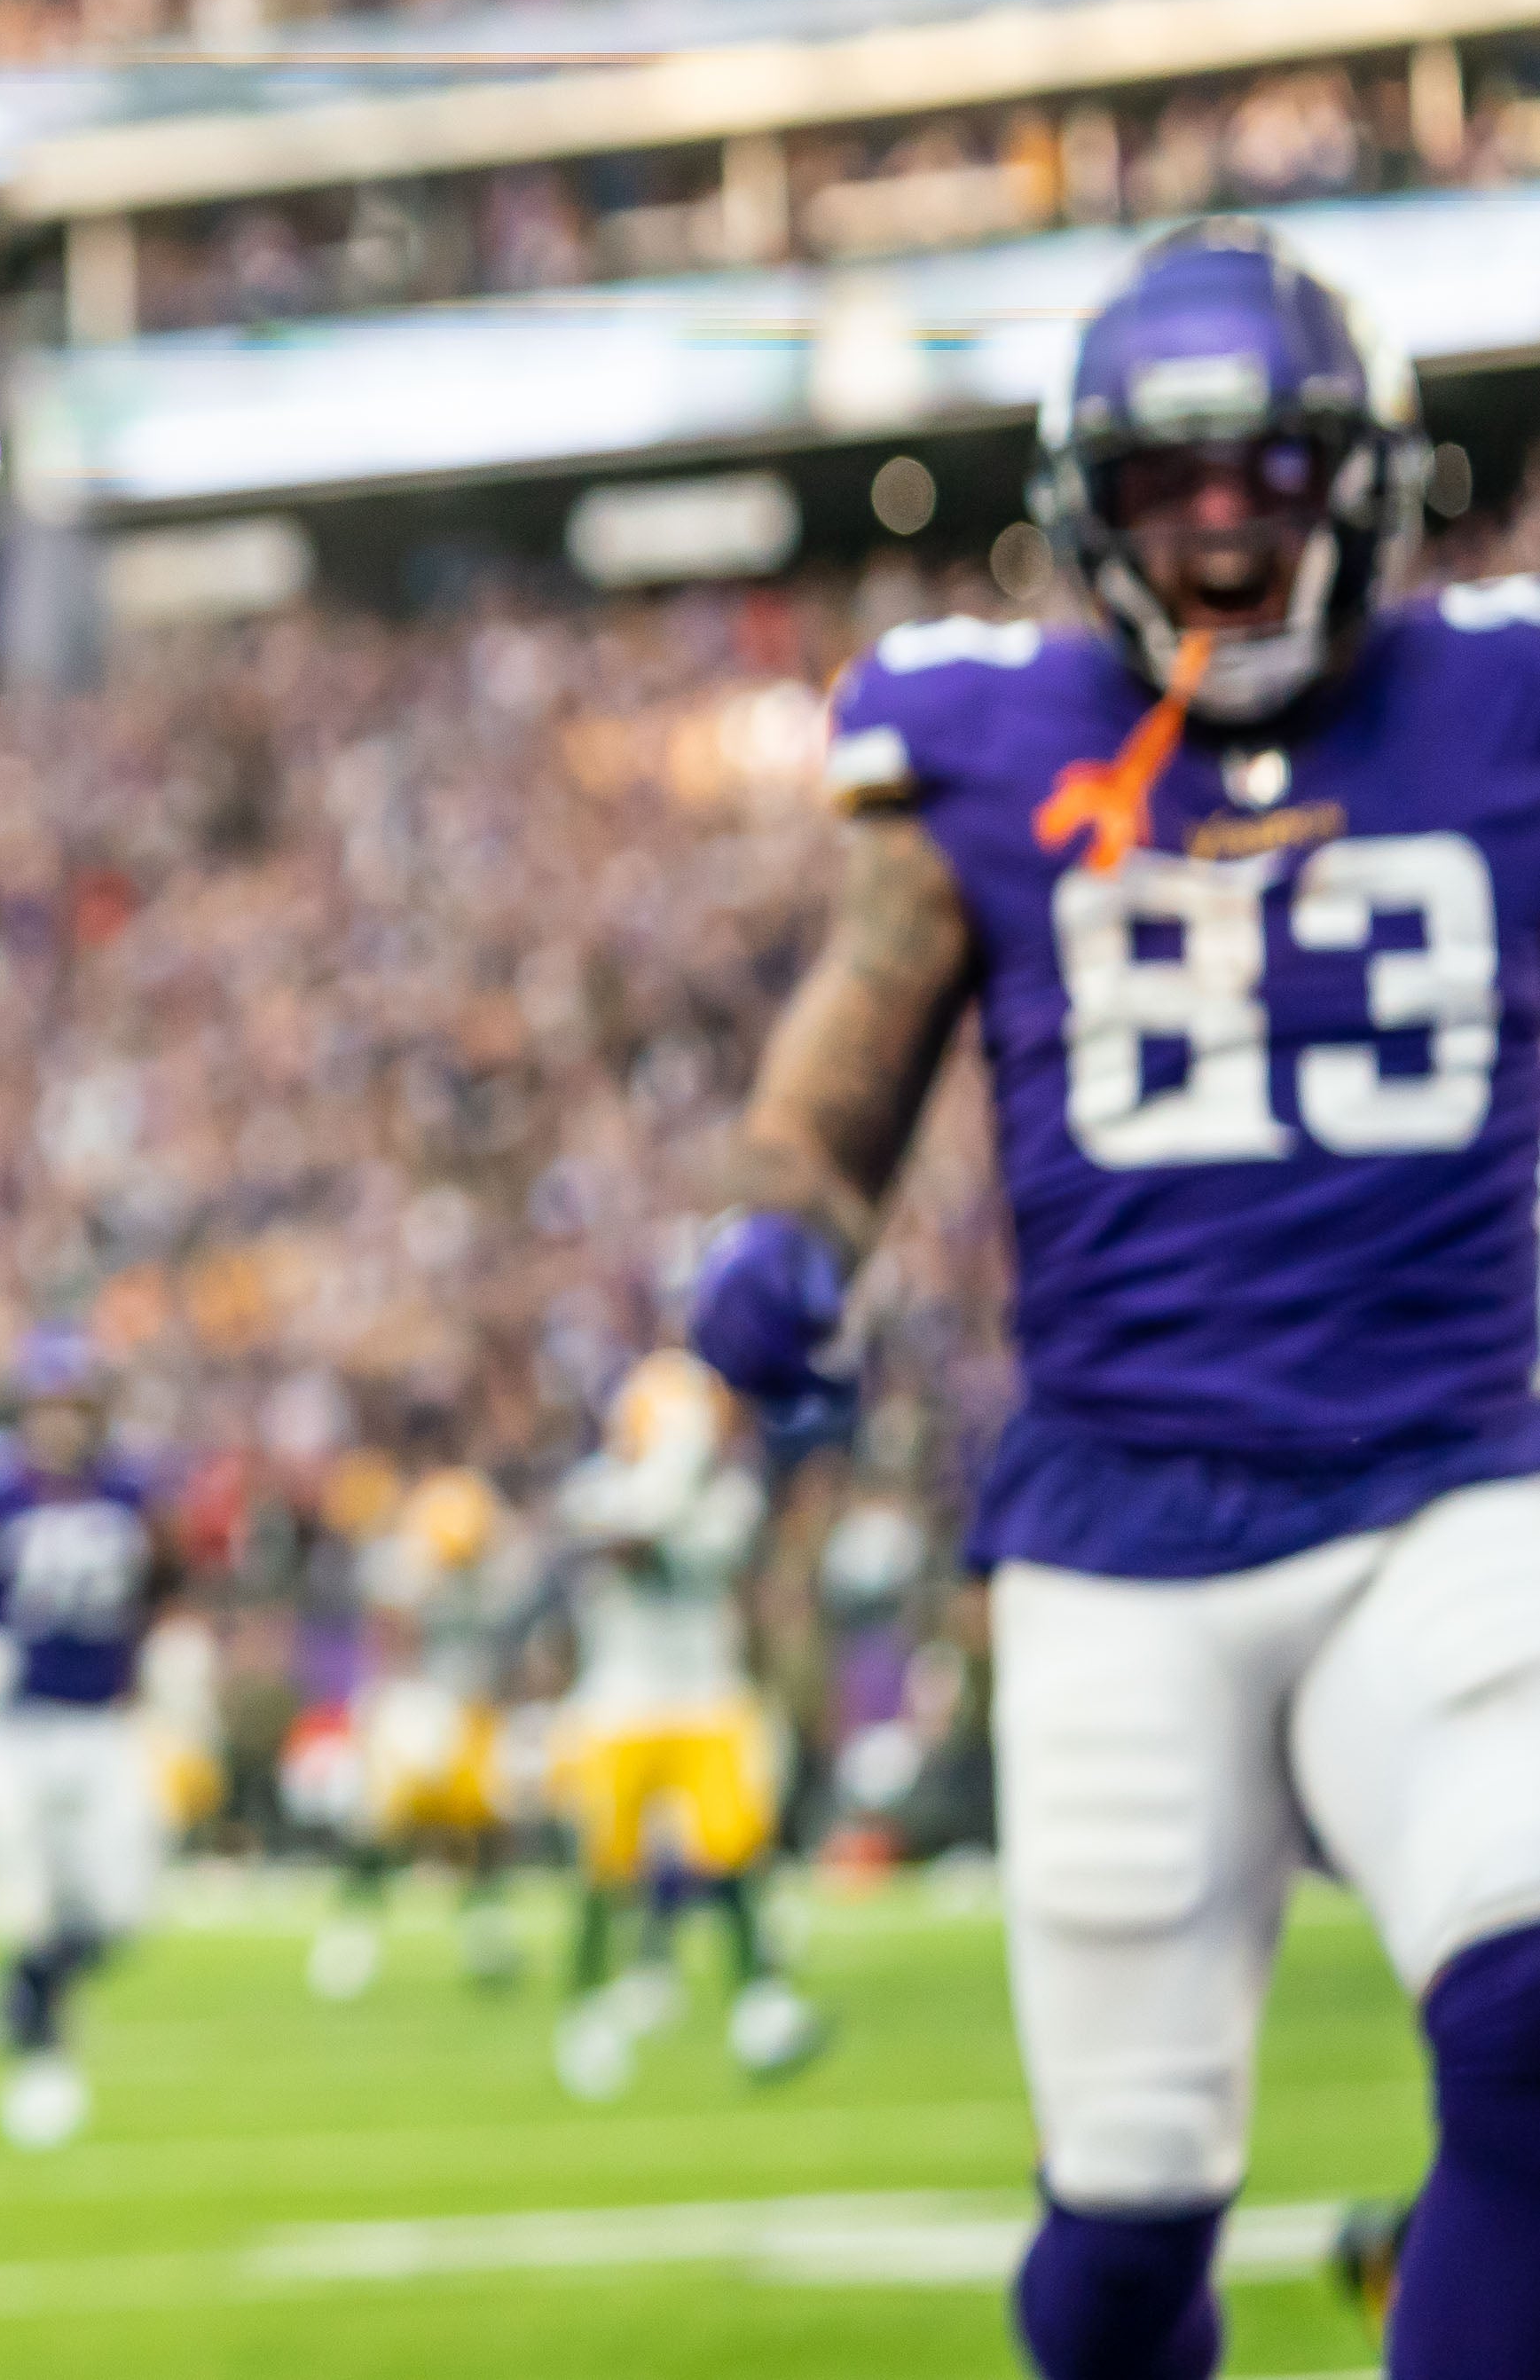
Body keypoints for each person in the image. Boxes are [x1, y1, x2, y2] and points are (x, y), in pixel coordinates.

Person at [692, 218, 1540, 2380]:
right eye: (1169, 484)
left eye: (1264, 469)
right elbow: (861, 1026)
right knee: (1126, 2229)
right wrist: (780, 1234)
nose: (1221, 524)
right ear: (1089, 509)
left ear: (1361, 479)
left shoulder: (1500, 693)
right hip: (1121, 1528)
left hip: (1452, 1477)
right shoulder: (976, 733)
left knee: (1535, 2008)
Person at [543, 1357, 822, 2099]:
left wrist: (672, 1488)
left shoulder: (722, 1497)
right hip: (622, 1699)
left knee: (733, 1857)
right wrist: (660, 1484)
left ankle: (762, 2002)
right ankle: (584, 2011)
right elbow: (615, 1548)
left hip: (703, 1694)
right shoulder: (601, 1487)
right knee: (605, 1870)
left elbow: (699, 1555)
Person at [0, 1388, 164, 2148]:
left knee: (120, 1909)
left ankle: (20, 1989)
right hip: (14, 1725)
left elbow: (171, 1576)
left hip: (101, 1721)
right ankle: (43, 2059)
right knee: (27, 1904)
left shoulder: (131, 1493)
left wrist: (160, 1657)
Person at [313, 1464, 530, 2002]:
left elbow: (511, 1628)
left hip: (471, 1707)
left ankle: (486, 1942)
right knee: (380, 1829)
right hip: (415, 1704)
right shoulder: (405, 1566)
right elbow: (387, 1625)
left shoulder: (497, 1572)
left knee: (482, 1830)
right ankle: (351, 1940)